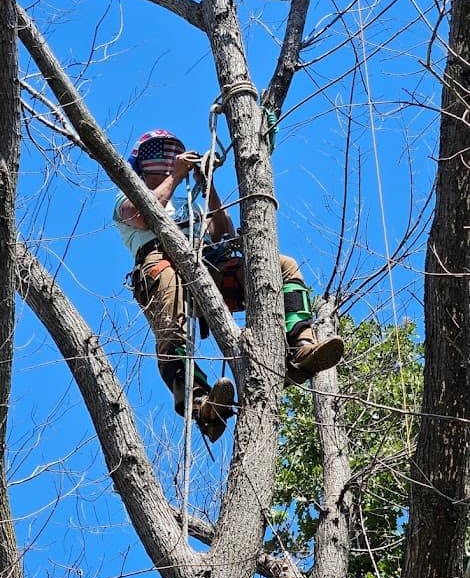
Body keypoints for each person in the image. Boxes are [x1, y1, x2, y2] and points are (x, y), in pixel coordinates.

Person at [113, 128, 344, 443]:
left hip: (207, 263)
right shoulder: (127, 196)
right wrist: (178, 175)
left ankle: (300, 348)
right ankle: (200, 402)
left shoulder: (189, 203)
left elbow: (223, 235)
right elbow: (143, 215)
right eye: (158, 154)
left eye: (171, 153)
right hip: (161, 262)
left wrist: (207, 188)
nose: (166, 160)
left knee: (284, 266)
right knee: (170, 319)